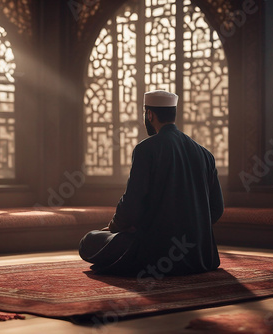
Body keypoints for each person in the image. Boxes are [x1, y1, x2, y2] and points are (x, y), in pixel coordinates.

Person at [79, 90, 224, 277]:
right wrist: (192, 230)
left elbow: (131, 204)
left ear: (149, 115)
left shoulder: (146, 149)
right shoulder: (205, 154)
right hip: (200, 256)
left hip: (157, 255)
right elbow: (217, 208)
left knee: (88, 241)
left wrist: (114, 227)